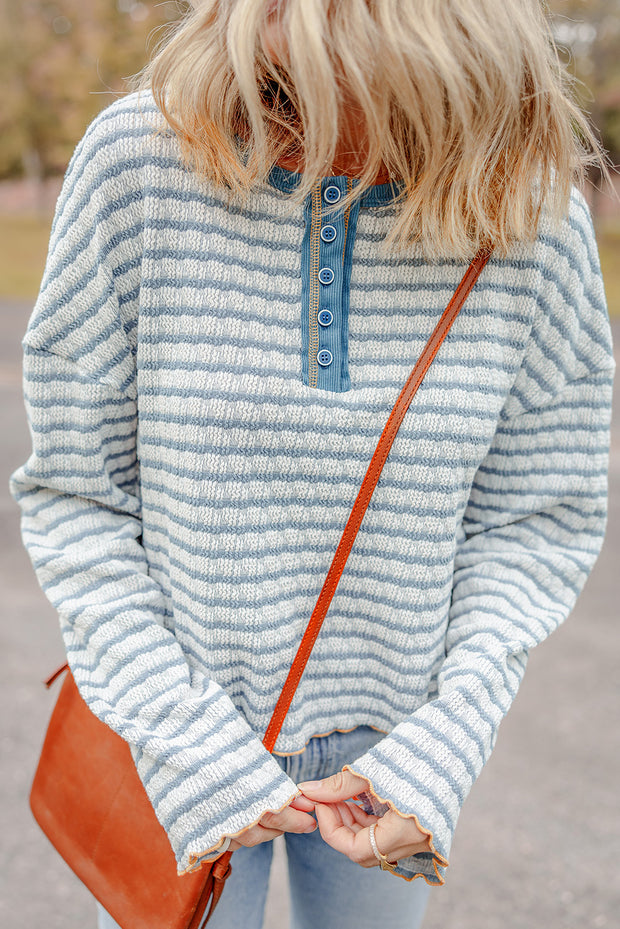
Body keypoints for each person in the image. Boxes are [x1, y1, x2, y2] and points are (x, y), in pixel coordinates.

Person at [9, 1, 616, 928]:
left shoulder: (532, 213)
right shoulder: (139, 163)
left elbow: (537, 513)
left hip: (398, 753)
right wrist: (187, 740)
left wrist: (447, 740)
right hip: (179, 740)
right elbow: (78, 495)